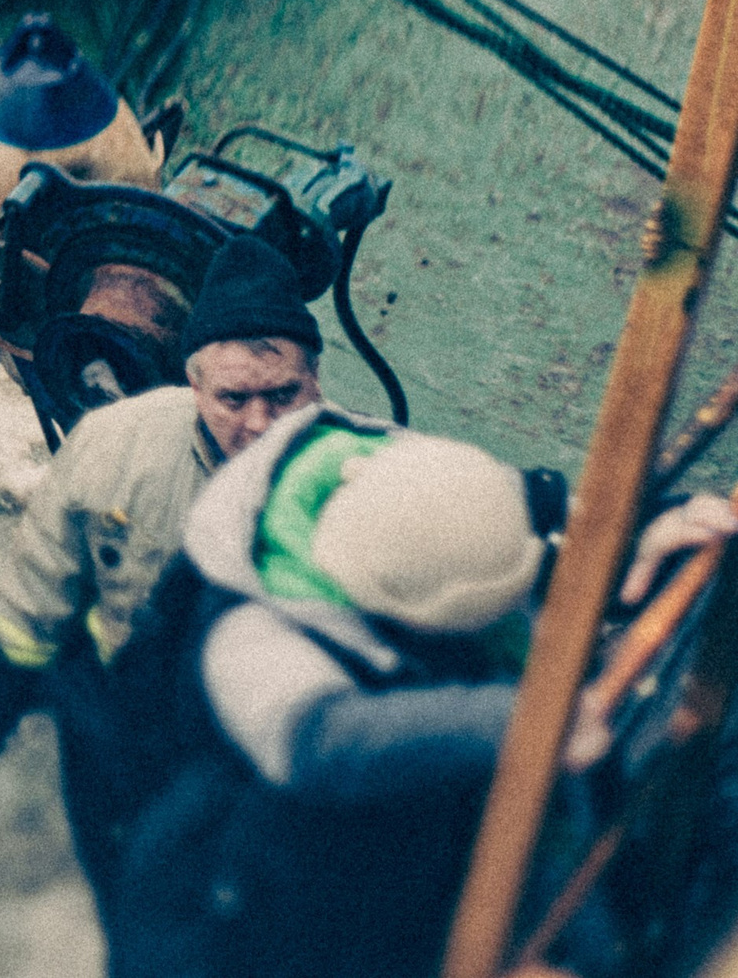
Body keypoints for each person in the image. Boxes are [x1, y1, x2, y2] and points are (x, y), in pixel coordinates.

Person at [107, 408, 737, 978]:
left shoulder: (409, 490)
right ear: (402, 612)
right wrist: (524, 716)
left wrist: (651, 541)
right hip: (259, 913)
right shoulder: (247, 631)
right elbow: (322, 741)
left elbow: (530, 557)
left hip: (405, 860)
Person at [0, 233, 323, 915]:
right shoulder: (115, 443)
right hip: (121, 721)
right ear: (193, 383)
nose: (259, 423)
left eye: (283, 394)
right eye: (233, 398)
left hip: (257, 746)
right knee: (125, 885)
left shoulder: (358, 475)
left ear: (315, 380)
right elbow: (40, 581)